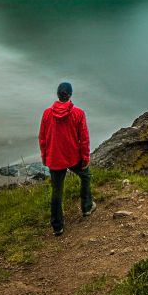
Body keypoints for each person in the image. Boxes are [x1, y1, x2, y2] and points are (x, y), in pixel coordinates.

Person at [38, 81, 95, 236]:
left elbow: (42, 138)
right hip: (73, 156)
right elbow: (84, 138)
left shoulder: (47, 114)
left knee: (57, 191)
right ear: (70, 95)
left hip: (55, 158)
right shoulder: (78, 113)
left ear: (58, 95)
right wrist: (85, 157)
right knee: (85, 175)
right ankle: (87, 206)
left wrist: (45, 156)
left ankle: (57, 226)